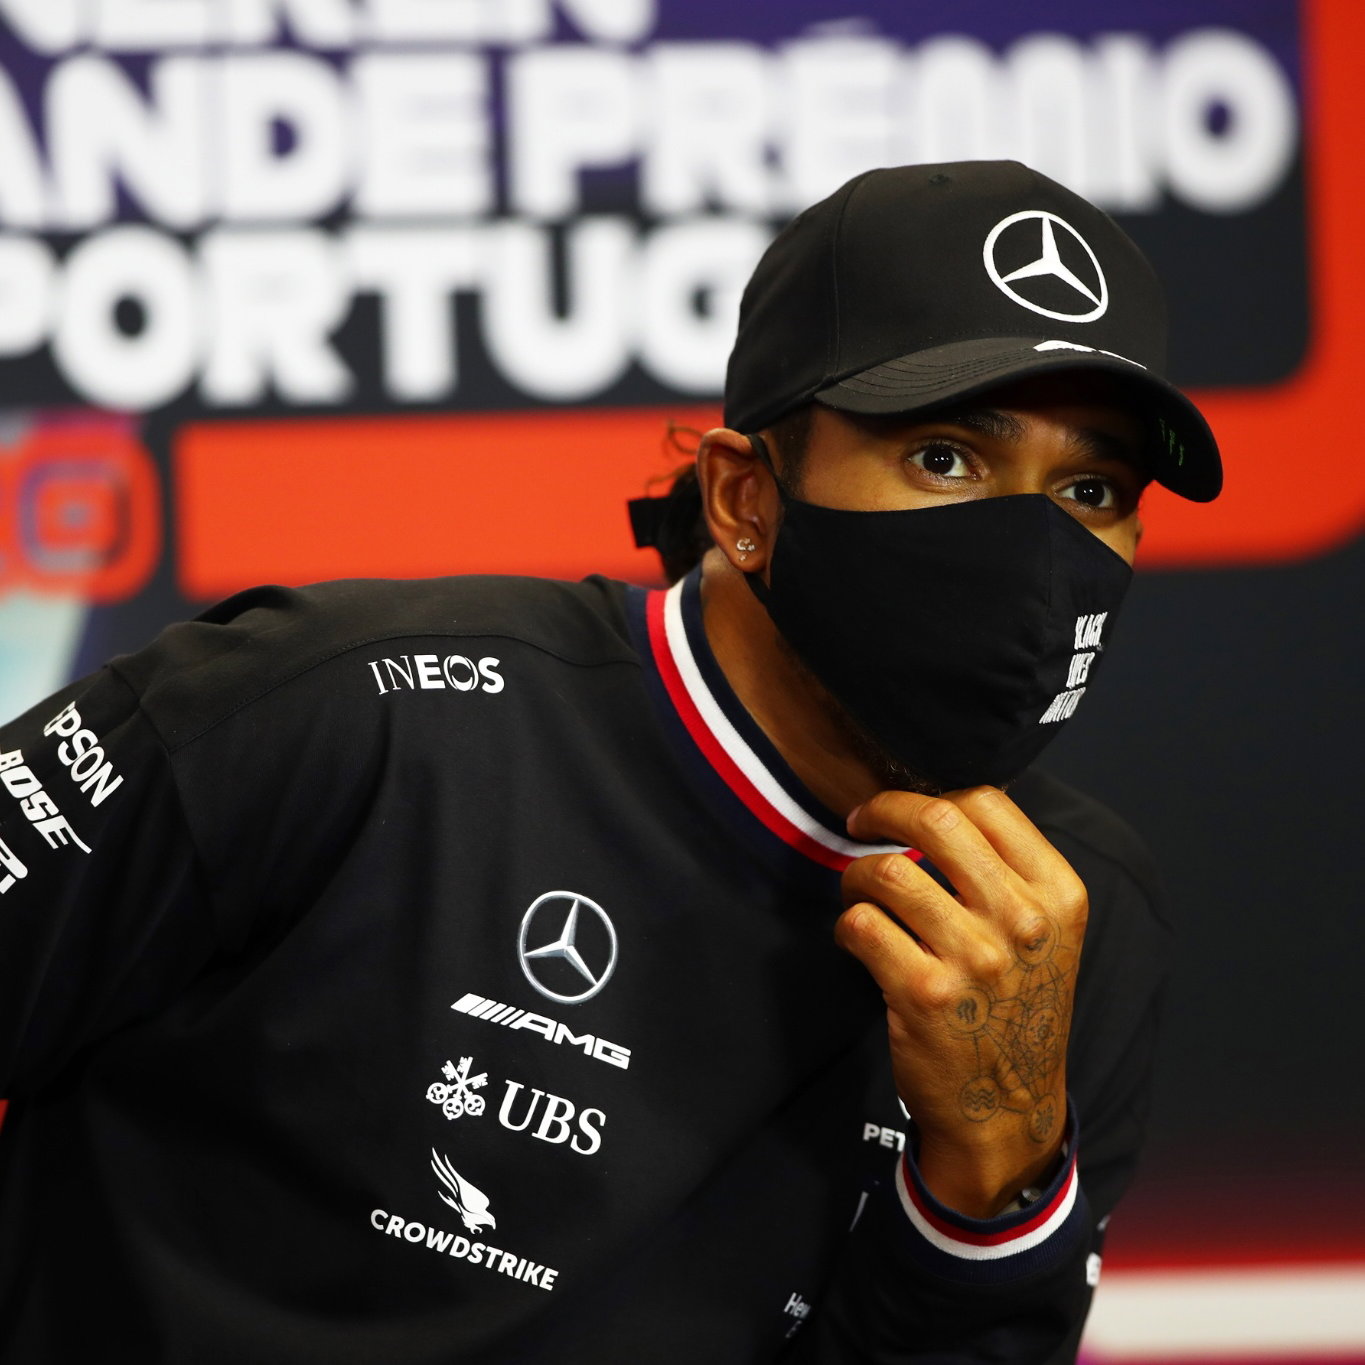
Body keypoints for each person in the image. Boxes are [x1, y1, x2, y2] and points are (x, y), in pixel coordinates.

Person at [0, 161, 1219, 1363]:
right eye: (945, 457)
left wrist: (993, 1179)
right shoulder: (339, 711)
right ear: (747, 497)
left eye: (1093, 486)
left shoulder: (1073, 920)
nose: (1029, 545)